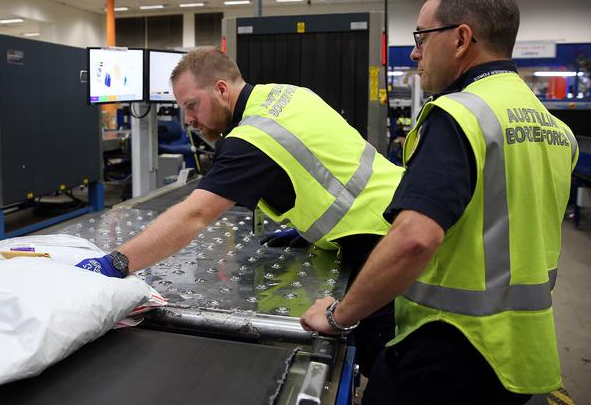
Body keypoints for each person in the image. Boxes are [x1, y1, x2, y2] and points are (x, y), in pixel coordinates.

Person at [300, 0, 579, 404]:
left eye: (421, 37)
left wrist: (339, 316)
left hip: (449, 349)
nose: (415, 53)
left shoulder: (459, 116)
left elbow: (415, 238)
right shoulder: (555, 129)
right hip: (521, 353)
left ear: (462, 38)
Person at [77, 46, 404, 373]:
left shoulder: (253, 137)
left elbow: (195, 215)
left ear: (221, 89)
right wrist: (308, 230)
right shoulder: (285, 94)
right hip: (396, 207)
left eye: (192, 106)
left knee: (385, 360)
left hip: (380, 238)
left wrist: (117, 262)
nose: (189, 120)